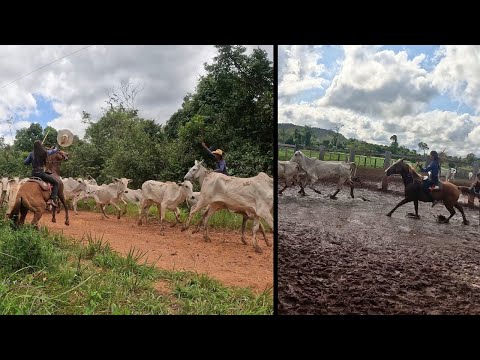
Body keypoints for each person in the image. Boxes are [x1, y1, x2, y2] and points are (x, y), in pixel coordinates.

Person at [24, 140, 60, 208]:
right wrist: (57, 146)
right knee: (56, 183)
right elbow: (54, 151)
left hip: (33, 174)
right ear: (41, 146)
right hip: (41, 173)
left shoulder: (31, 154)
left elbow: (25, 162)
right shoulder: (44, 152)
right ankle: (51, 199)